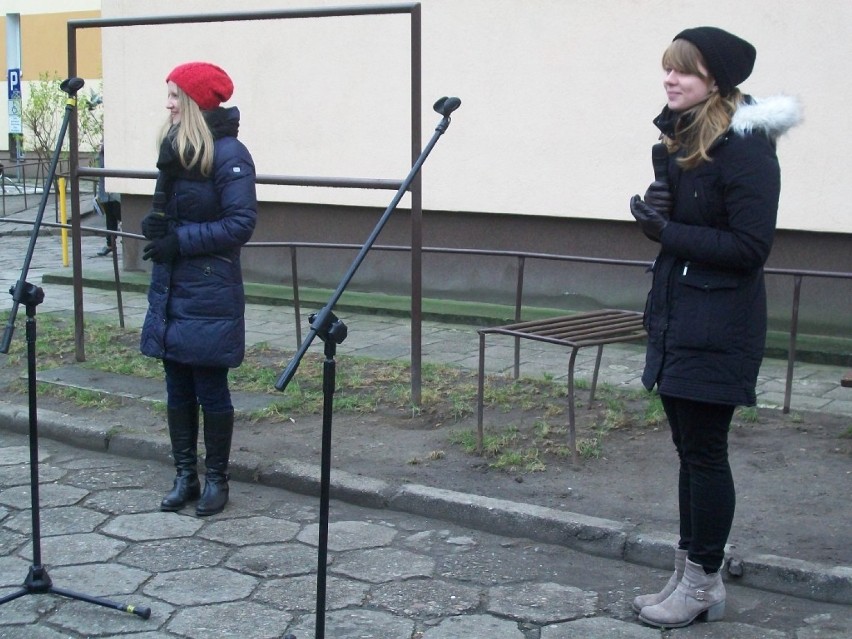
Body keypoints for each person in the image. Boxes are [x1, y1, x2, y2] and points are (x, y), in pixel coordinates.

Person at [628, 27, 801, 628]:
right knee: (689, 452)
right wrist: (664, 200)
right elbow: (700, 224)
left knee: (704, 454)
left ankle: (701, 583)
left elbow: (751, 246)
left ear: (716, 82)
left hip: (719, 323)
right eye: (668, 69)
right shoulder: (689, 140)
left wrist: (667, 231)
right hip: (681, 316)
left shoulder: (746, 147)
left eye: (686, 71)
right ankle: (693, 573)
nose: (670, 79)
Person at [139, 62, 257, 516]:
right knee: (176, 388)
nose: (167, 104)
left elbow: (240, 223)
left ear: (193, 103)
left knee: (210, 388)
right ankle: (185, 475)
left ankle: (218, 480)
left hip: (208, 289)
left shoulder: (229, 153)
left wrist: (179, 240)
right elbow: (177, 211)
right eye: (167, 94)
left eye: (174, 96)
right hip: (172, 286)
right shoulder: (176, 149)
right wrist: (159, 224)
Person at [94, 145, 122, 257]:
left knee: (120, 215)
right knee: (110, 218)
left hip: (115, 190)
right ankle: (110, 244)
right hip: (105, 191)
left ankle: (127, 240)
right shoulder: (102, 153)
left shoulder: (114, 150)